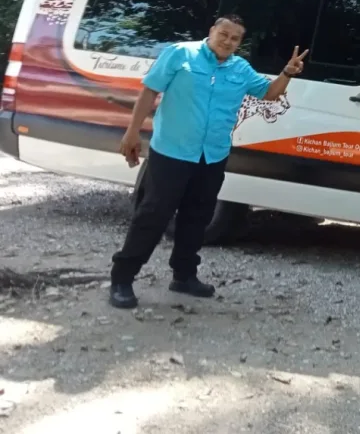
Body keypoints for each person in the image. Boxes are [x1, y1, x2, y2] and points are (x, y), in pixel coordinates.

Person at [109, 15, 307, 309]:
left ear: (240, 43)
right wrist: (132, 132)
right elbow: (150, 90)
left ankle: (184, 276)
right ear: (212, 31)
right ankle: (122, 279)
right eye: (223, 34)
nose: (227, 41)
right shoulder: (180, 53)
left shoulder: (240, 68)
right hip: (172, 151)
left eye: (235, 38)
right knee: (153, 214)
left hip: (212, 155)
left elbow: (269, 93)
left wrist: (287, 74)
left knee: (197, 217)